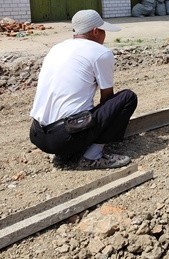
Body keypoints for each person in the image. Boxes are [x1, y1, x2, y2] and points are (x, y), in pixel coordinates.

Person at [29, 9, 138, 170]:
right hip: (63, 136)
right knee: (127, 98)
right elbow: (107, 99)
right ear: (95, 31)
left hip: (37, 134)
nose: (104, 35)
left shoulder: (57, 48)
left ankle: (66, 153)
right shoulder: (100, 53)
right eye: (103, 31)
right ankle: (92, 157)